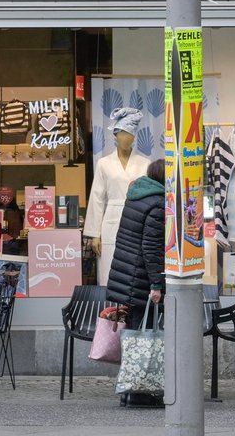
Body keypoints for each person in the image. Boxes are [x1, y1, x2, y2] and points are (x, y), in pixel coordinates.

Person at [105, 159, 167, 408]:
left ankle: (130, 391)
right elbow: (151, 248)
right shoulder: (157, 203)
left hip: (128, 275)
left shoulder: (136, 196)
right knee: (143, 335)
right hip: (140, 279)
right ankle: (139, 391)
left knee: (134, 334)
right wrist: (156, 284)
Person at [84, 107, 152, 285]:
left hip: (138, 220)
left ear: (134, 137)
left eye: (129, 134)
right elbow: (97, 199)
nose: (125, 138)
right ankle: (109, 309)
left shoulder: (145, 164)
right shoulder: (104, 164)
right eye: (121, 133)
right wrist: (94, 234)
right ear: (115, 135)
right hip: (111, 220)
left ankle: (134, 309)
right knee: (109, 269)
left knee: (135, 269)